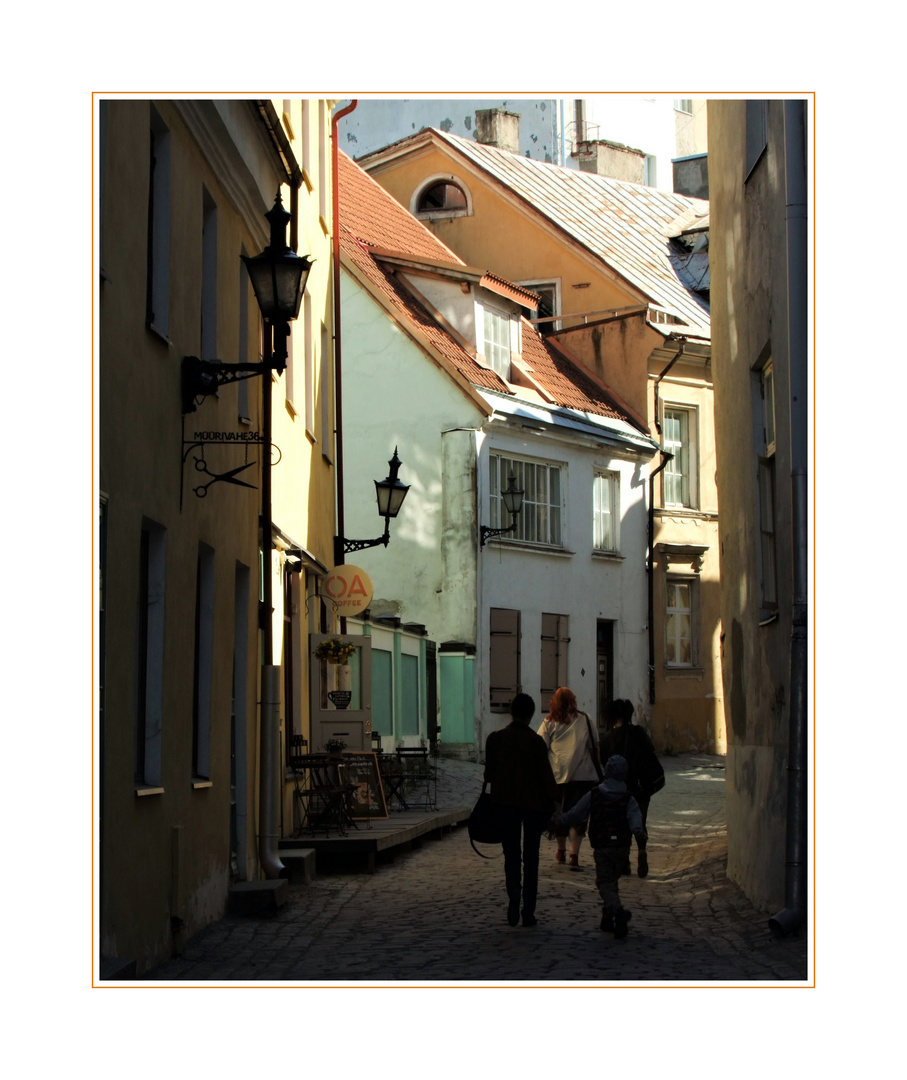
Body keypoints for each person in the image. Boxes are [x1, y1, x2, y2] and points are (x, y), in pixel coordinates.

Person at [484, 693, 558, 928]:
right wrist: (556, 803)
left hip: (504, 804)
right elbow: (547, 777)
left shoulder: (495, 739)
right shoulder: (535, 742)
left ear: (512, 712)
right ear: (531, 714)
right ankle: (529, 911)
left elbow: (488, 775)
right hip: (533, 806)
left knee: (511, 854)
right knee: (531, 857)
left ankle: (513, 892)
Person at [557, 755, 645, 940]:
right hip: (622, 847)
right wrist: (638, 833)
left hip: (603, 845)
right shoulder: (628, 798)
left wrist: (559, 820)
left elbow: (576, 813)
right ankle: (607, 919)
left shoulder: (595, 795)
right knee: (612, 880)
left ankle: (617, 911)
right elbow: (636, 820)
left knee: (604, 882)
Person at [537, 686, 601, 871]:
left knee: (560, 813)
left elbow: (540, 748)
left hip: (557, 776)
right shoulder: (587, 720)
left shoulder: (549, 723)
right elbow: (595, 747)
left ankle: (561, 850)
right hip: (583, 776)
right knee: (579, 816)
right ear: (574, 701)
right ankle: (574, 855)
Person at [600, 698, 661, 877]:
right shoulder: (638, 733)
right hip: (640, 786)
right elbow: (650, 753)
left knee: (621, 824)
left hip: (618, 788)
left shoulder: (607, 739)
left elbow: (604, 763)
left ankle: (625, 862)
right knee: (639, 820)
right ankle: (641, 849)